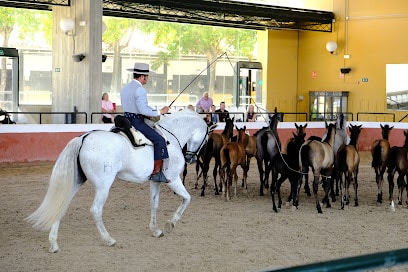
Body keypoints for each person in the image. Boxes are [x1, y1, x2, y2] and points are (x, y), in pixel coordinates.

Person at [120, 62, 170, 183]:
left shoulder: (125, 88)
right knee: (160, 140)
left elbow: (135, 107)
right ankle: (156, 172)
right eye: (147, 77)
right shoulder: (140, 90)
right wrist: (160, 111)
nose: (147, 79)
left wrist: (149, 113)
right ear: (142, 76)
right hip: (136, 121)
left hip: (125, 119)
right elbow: (142, 109)